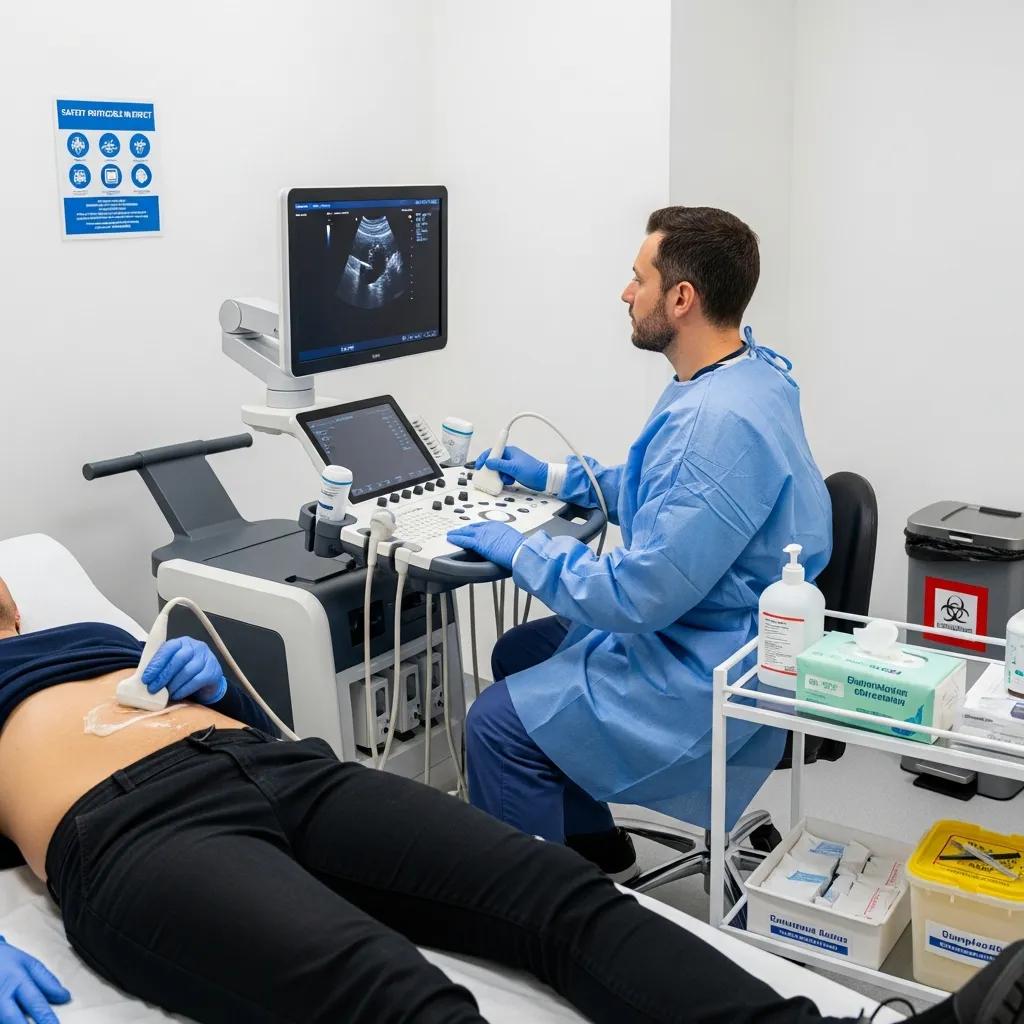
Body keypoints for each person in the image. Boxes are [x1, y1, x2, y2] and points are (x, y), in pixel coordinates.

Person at [0, 580, 1022, 1024]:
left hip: (280, 770)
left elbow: (195, 683)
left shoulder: (85, 632)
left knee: (558, 895)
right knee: (395, 994)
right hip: (133, 829)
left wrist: (198, 677)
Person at [447, 206, 833, 879]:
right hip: (716, 625)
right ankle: (595, 844)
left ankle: (540, 914)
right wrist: (558, 477)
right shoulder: (748, 376)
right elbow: (670, 493)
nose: (627, 293)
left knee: (495, 727)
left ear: (681, 299)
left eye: (638, 278)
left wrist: (521, 547)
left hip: (704, 663)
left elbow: (634, 595)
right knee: (517, 652)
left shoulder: (711, 421)